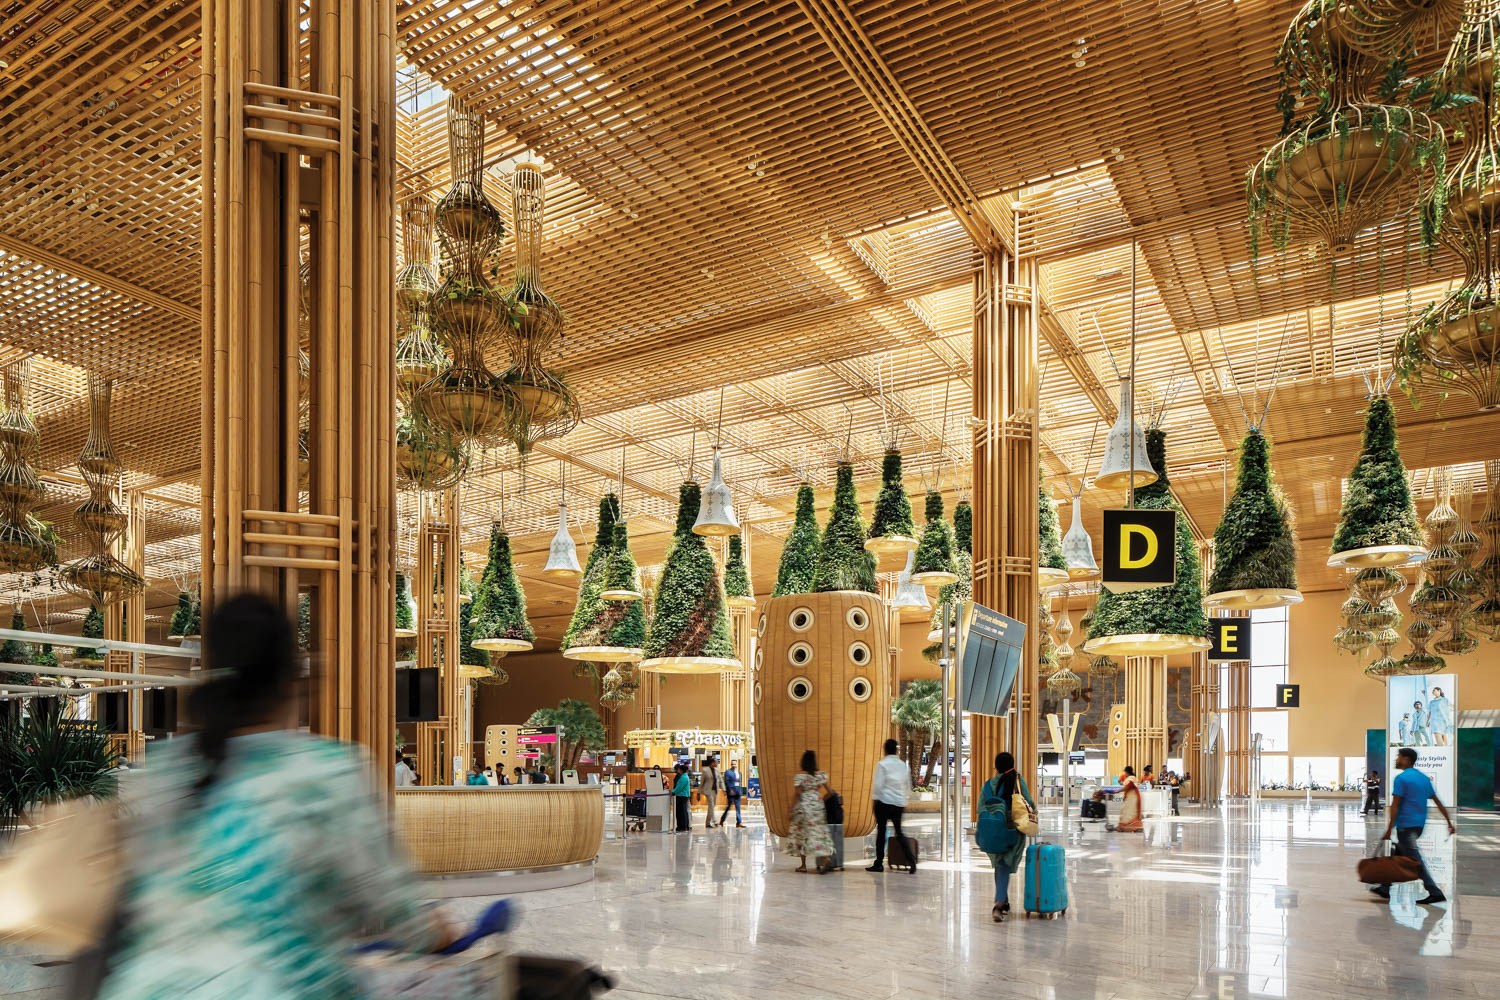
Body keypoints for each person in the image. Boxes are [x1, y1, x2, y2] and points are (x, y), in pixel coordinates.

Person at [92, 592, 450, 1000]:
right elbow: (388, 903)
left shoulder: (164, 768)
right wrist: (436, 930)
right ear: (292, 681)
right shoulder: (325, 772)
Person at [1375, 747, 1455, 905]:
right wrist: (1449, 822)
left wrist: (1389, 829)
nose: (1396, 760)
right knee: (1397, 854)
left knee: (1415, 860)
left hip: (1406, 826)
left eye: (1398, 757)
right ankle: (1385, 887)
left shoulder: (1402, 778)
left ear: (1406, 759)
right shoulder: (1424, 779)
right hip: (1418, 826)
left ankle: (1435, 891)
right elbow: (1438, 801)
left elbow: (1395, 805)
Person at [978, 751, 1035, 922]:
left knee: (999, 864)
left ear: (996, 766)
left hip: (990, 832)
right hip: (1011, 831)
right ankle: (998, 903)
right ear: (1012, 765)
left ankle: (1005, 902)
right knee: (1004, 864)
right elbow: (1028, 803)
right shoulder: (1016, 780)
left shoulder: (988, 785)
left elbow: (980, 808)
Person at [785, 749, 834, 873]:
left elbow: (797, 794)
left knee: (802, 835)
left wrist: (791, 808)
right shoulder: (821, 775)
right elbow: (831, 792)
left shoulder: (800, 776)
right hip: (818, 805)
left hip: (804, 805)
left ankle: (803, 865)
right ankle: (826, 857)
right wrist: (821, 798)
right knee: (819, 833)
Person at [867, 738, 911, 873]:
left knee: (881, 833)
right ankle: (911, 860)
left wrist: (875, 801)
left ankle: (879, 863)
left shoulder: (882, 764)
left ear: (885, 750)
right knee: (899, 832)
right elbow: (907, 785)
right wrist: (904, 800)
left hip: (884, 802)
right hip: (898, 803)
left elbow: (879, 786)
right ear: (896, 751)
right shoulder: (903, 765)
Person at [1114, 765, 1143, 832]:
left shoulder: (1131, 778)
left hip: (1132, 798)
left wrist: (1119, 791)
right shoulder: (1131, 777)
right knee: (1126, 811)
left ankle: (1127, 827)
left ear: (1127, 772)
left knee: (1128, 812)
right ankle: (1126, 826)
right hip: (1130, 797)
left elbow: (1129, 786)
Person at [719, 760, 745, 828]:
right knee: (728, 807)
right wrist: (730, 789)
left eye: (735, 764)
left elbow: (739, 782)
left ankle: (739, 822)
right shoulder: (728, 772)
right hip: (731, 793)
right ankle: (722, 819)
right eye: (732, 764)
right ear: (731, 764)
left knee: (738, 808)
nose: (734, 765)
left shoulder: (739, 773)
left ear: (737, 764)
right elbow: (726, 782)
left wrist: (740, 791)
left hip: (737, 792)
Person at [700, 756, 721, 828]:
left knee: (711, 807)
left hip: (715, 791)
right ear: (712, 763)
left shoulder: (717, 770)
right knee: (711, 806)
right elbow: (702, 781)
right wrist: (699, 792)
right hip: (708, 791)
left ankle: (707, 823)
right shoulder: (705, 770)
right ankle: (715, 821)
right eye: (716, 762)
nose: (717, 763)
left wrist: (724, 789)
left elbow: (720, 780)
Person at [672, 763, 692, 833]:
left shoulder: (683, 777)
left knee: (681, 812)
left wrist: (672, 791)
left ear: (681, 770)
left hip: (681, 796)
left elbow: (679, 788)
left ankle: (683, 826)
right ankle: (683, 826)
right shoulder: (684, 776)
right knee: (683, 811)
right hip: (683, 796)